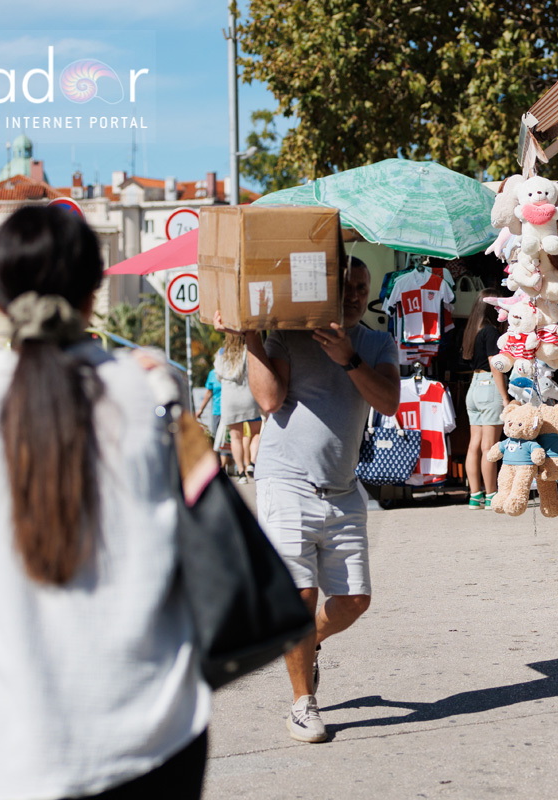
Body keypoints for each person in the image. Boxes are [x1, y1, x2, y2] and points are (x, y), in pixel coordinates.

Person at [0, 205, 210, 799]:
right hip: (152, 741)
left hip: (5, 755)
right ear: (96, 292)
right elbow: (200, 553)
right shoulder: (152, 396)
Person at [218, 256, 398, 744]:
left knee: (355, 600)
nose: (358, 295)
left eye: (363, 287)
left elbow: (387, 401)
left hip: (342, 489)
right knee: (299, 596)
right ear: (327, 292)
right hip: (286, 482)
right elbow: (269, 401)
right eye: (348, 288)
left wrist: (349, 359)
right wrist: (251, 335)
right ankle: (302, 704)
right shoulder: (290, 336)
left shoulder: (378, 342)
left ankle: (308, 641)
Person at [460, 286, 510, 509]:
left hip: (474, 387)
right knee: (490, 446)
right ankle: (491, 494)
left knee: (475, 445)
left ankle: (474, 495)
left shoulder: (473, 329)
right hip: (490, 386)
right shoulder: (491, 332)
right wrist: (505, 397)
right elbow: (495, 365)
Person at [213, 337, 262, 483]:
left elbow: (218, 377)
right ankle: (252, 462)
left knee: (236, 438)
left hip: (229, 399)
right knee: (256, 433)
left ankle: (241, 473)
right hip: (249, 396)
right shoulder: (249, 351)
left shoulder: (221, 353)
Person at [196, 365, 223, 436]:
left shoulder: (232, 372)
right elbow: (208, 393)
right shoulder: (213, 373)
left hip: (232, 411)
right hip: (218, 411)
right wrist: (201, 409)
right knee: (217, 437)